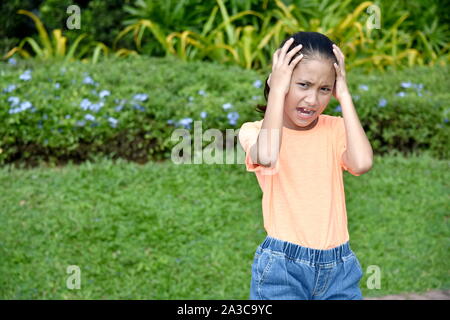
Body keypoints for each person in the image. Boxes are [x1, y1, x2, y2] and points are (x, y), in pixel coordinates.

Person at [238, 31, 373, 300]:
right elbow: (266, 155)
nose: (313, 100)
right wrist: (276, 89)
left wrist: (344, 95)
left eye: (324, 89)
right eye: (303, 85)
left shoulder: (334, 129)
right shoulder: (253, 131)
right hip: (282, 267)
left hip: (340, 267)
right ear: (281, 81)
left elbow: (361, 163)